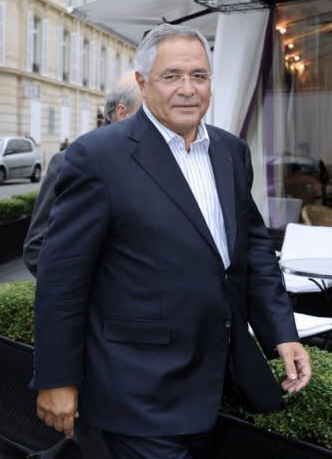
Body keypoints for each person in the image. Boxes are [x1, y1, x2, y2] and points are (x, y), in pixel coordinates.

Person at [32, 24, 311, 459]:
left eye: (199, 76)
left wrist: (282, 333)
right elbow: (61, 279)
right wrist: (57, 379)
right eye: (172, 76)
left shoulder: (230, 151)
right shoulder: (97, 157)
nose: (188, 89)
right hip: (135, 390)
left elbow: (252, 248)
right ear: (143, 84)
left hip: (214, 381)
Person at [23, 72, 142, 276]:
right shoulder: (70, 161)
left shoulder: (152, 157)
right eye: (148, 112)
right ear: (123, 113)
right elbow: (36, 250)